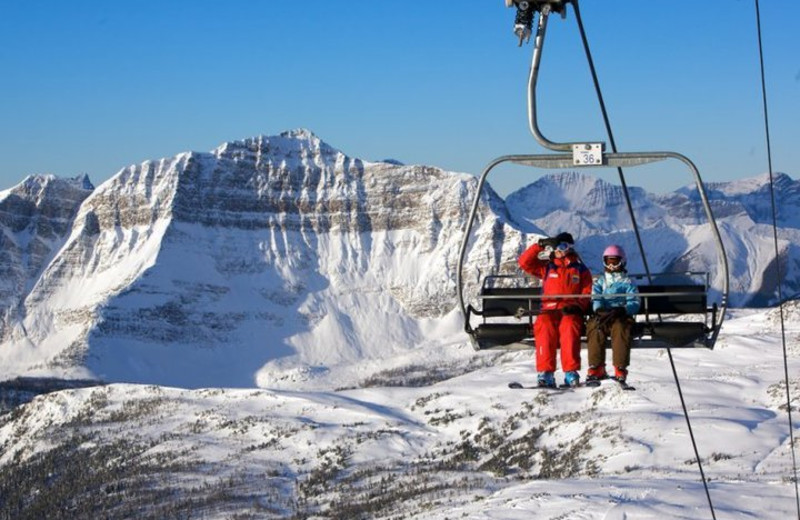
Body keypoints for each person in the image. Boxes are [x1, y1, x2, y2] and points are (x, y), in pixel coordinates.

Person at [518, 232, 592, 387]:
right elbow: (525, 263)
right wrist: (539, 245)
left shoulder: (579, 269)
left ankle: (570, 372)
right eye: (556, 246)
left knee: (570, 326)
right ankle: (546, 372)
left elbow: (586, 291)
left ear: (570, 248)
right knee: (544, 325)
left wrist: (577, 307)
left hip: (570, 311)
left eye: (563, 246)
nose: (559, 250)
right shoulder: (547, 267)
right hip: (549, 310)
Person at [586, 245, 641, 383]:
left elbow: (634, 301)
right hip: (604, 315)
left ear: (622, 262)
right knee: (595, 326)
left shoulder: (627, 282)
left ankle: (620, 367)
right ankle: (596, 366)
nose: (611, 266)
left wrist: (624, 309)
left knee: (621, 328)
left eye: (615, 262)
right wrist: (599, 309)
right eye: (608, 262)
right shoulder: (601, 281)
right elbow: (596, 297)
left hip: (620, 316)